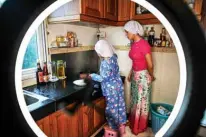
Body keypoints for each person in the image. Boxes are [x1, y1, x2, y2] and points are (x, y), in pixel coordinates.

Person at [81, 39, 127, 135]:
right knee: (120, 107)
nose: (98, 54)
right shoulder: (114, 57)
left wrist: (92, 75)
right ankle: (122, 127)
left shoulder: (105, 63)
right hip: (118, 86)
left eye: (98, 52)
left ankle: (113, 128)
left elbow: (103, 78)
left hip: (111, 89)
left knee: (112, 109)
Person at [124, 20, 155, 135]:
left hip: (143, 77)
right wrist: (131, 72)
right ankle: (133, 122)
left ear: (133, 31)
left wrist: (151, 76)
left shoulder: (144, 44)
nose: (126, 34)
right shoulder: (134, 44)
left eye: (127, 32)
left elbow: (150, 65)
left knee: (140, 102)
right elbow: (135, 61)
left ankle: (139, 127)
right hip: (135, 76)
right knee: (134, 101)